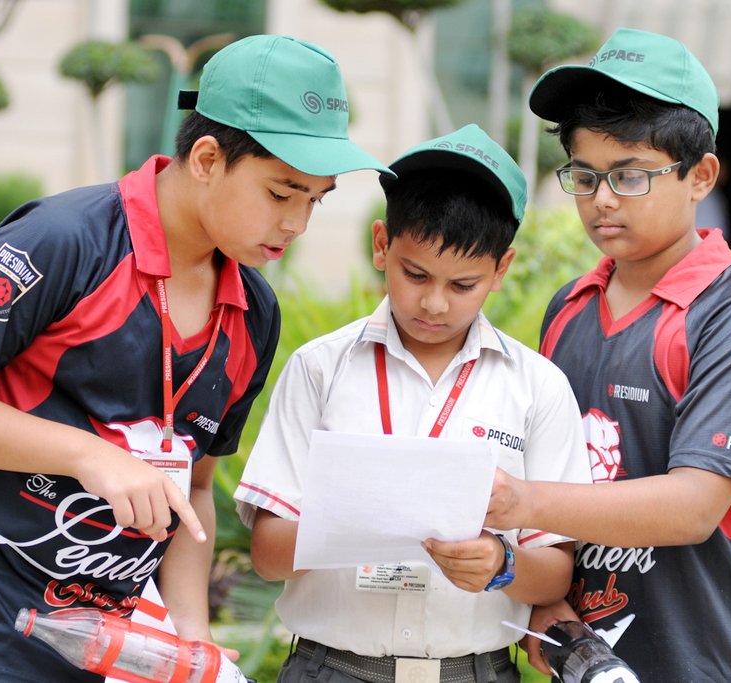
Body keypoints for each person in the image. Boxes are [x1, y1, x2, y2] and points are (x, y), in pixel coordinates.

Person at [0, 34, 391, 683]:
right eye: (281, 193)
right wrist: (89, 456)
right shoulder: (62, 242)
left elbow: (196, 488)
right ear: (207, 157)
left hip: (121, 653)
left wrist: (191, 640)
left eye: (315, 200)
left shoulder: (253, 312)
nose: (298, 223)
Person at [485, 28, 731, 682]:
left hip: (713, 662)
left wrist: (522, 502)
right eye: (585, 174)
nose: (601, 198)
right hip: (589, 662)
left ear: (701, 176)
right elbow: (553, 489)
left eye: (629, 175)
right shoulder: (568, 307)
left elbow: (692, 506)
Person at [233, 124, 594, 683]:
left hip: (475, 671)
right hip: (331, 668)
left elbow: (555, 575)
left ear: (501, 270)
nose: (433, 302)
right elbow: (268, 551)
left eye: (463, 284)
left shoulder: (537, 387)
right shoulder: (321, 368)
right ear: (382, 244)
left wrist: (501, 565)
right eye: (415, 274)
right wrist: (374, 517)